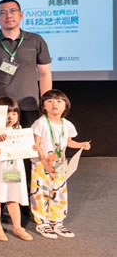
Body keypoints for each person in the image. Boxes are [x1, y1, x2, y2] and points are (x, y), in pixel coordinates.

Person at [0, 0, 52, 205]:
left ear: (21, 15)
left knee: (28, 155)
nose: (8, 15)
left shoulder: (36, 40)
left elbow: (45, 73)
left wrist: (46, 104)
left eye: (13, 11)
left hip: (27, 107)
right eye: (3, 12)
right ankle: (0, 203)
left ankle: (25, 203)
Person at [30, 90, 91, 239]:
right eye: (50, 101)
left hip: (60, 164)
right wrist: (45, 161)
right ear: (43, 106)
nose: (54, 104)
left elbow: (69, 142)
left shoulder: (67, 124)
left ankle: (56, 221)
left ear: (65, 106)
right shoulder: (40, 123)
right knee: (41, 192)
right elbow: (35, 146)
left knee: (59, 192)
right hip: (41, 164)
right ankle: (42, 222)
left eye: (59, 101)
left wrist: (81, 144)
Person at [0, 97, 34, 242]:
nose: (10, 117)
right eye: (6, 113)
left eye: (13, 113)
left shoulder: (19, 130)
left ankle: (17, 227)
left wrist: (32, 147)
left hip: (14, 168)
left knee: (13, 196)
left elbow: (26, 147)